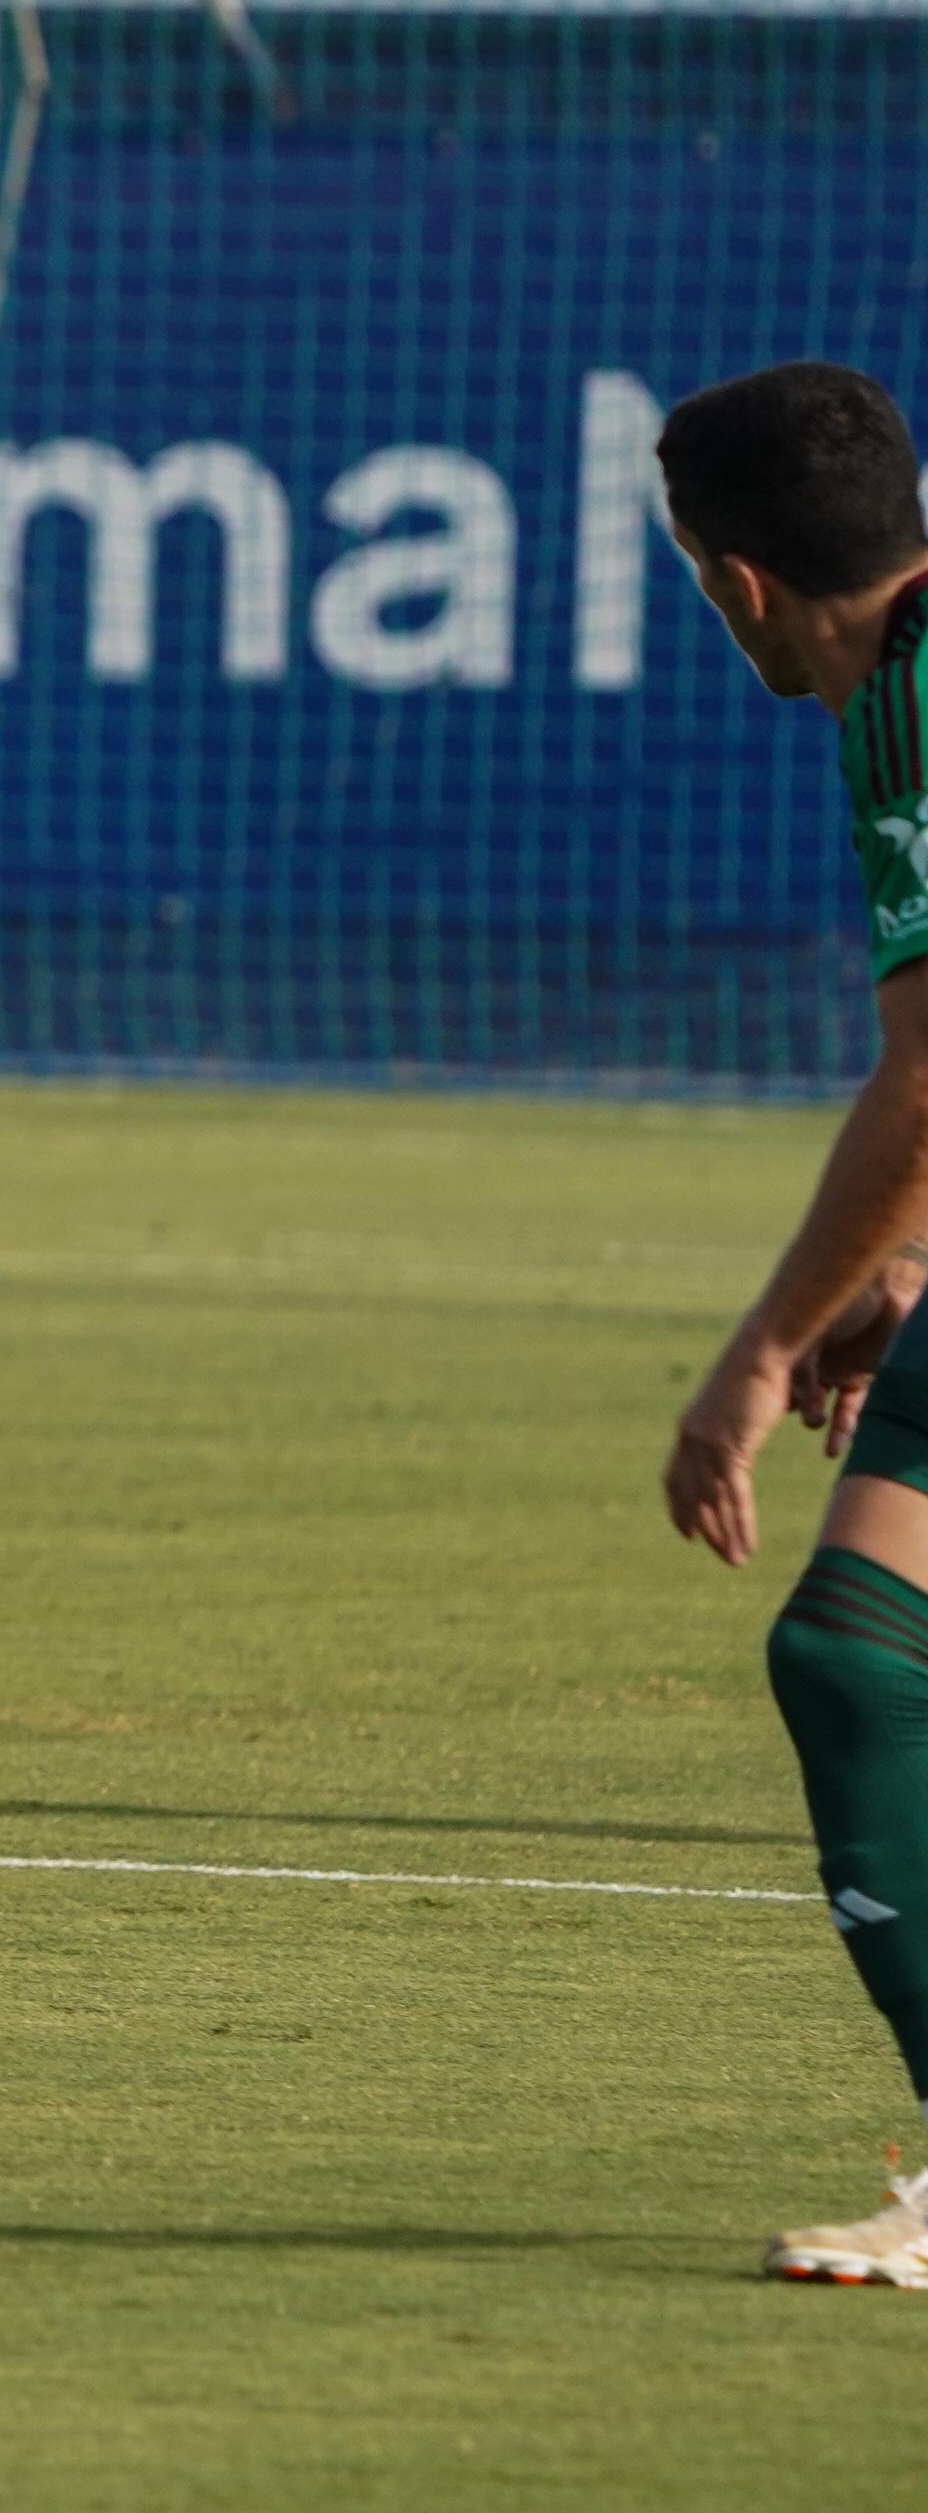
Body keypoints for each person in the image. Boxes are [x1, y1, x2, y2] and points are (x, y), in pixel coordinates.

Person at [654, 360, 928, 2280]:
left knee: (853, 1659)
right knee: (850, 1655)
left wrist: (766, 1338)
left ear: (734, 582)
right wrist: (892, 1268)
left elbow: (924, 1080)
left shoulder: (908, 700)